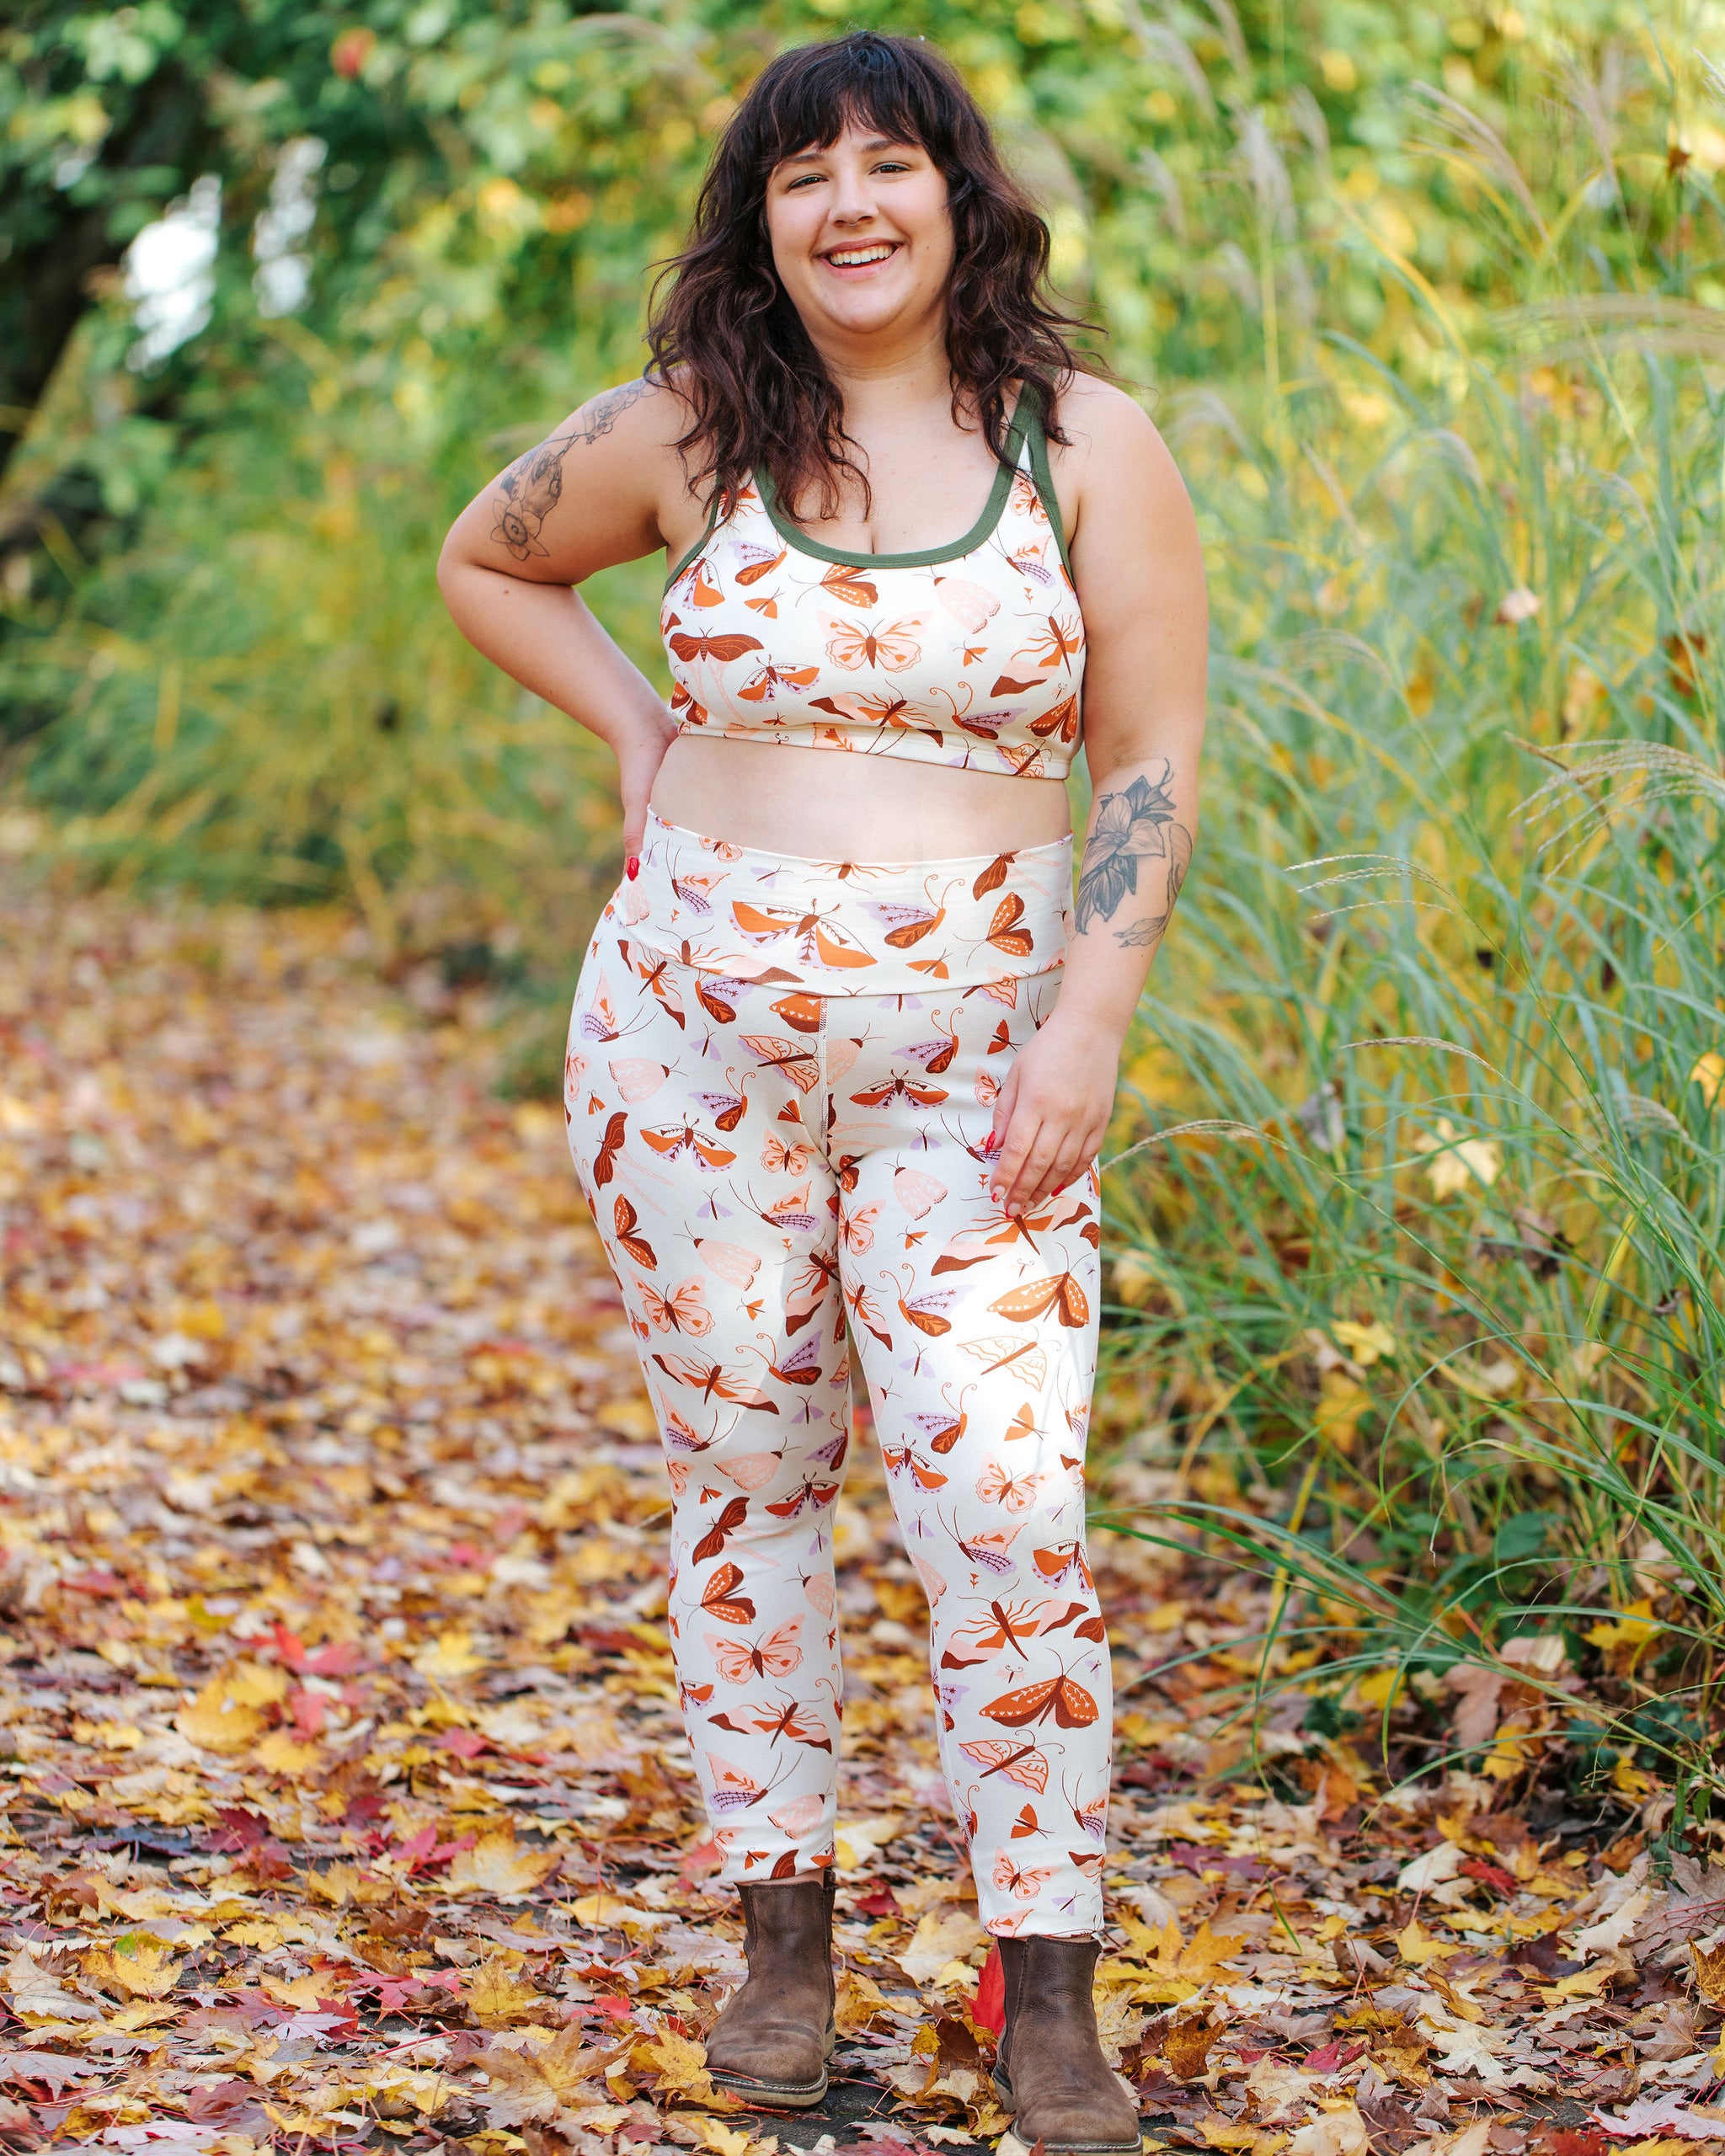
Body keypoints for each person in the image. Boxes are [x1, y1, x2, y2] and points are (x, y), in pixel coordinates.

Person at [439, 30, 1205, 2153]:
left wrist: (1089, 1020)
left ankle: (1045, 1987)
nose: (848, 206)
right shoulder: (691, 429)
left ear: (960, 198)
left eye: (889, 165)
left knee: (998, 1506)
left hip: (980, 1066)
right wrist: (628, 729)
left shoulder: (1084, 444)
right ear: (758, 219)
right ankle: (783, 1941)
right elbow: (485, 555)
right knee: (749, 1478)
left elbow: (1142, 756)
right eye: (802, 177)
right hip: (685, 1040)